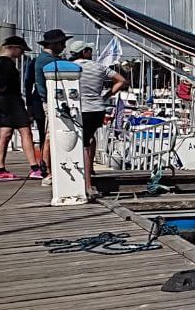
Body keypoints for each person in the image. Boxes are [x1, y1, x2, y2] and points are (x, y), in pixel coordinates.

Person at [67, 40, 128, 199]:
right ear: (85, 52)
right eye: (89, 50)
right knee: (90, 139)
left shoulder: (72, 67)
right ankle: (90, 170)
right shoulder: (99, 67)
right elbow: (121, 80)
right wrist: (107, 95)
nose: (91, 52)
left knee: (84, 145)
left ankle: (87, 185)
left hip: (81, 109)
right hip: (98, 109)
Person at [0, 36, 42, 181]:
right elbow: (0, 82)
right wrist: (1, 87)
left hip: (3, 100)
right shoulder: (6, 63)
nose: (22, 54)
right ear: (14, 48)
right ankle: (35, 168)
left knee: (5, 134)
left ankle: (0, 169)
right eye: (21, 50)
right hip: (12, 101)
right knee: (26, 132)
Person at [27, 28, 69, 180]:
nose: (64, 46)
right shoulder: (50, 61)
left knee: (49, 135)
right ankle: (47, 170)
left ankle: (48, 168)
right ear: (54, 44)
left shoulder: (42, 59)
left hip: (47, 101)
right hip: (49, 102)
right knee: (50, 135)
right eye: (62, 43)